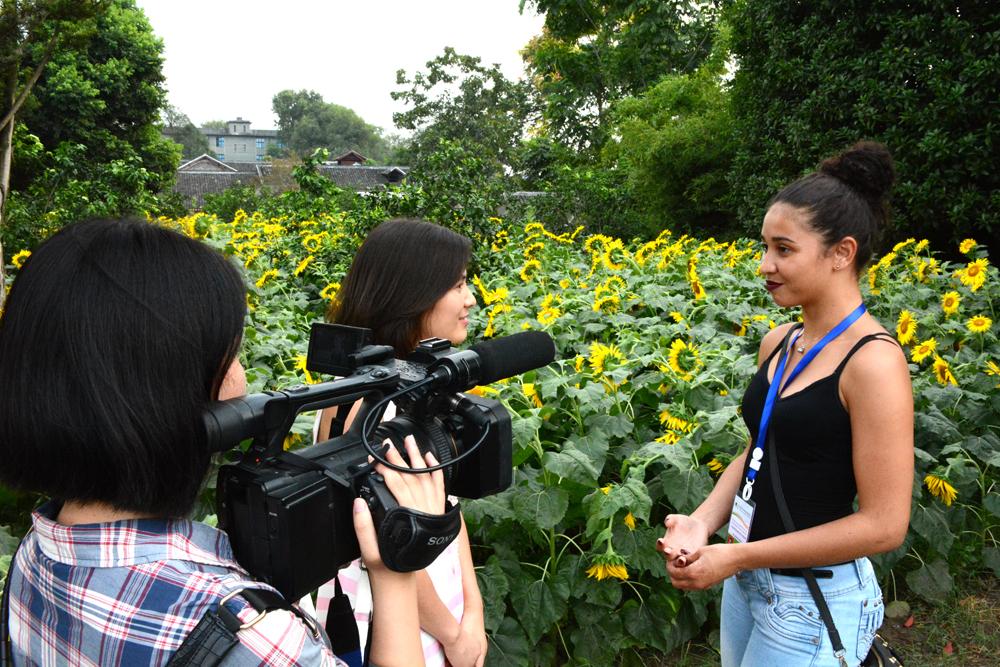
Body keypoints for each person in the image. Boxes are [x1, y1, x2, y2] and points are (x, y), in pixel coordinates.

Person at [0, 218, 443, 666]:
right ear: (163, 392)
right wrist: (397, 570)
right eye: (232, 355)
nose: (243, 380)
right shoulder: (249, 636)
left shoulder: (35, 553)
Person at [656, 142, 914, 666]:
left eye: (784, 249)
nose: (764, 265)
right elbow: (760, 449)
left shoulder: (873, 363)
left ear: (841, 253)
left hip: (813, 600)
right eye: (765, 247)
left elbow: (885, 524)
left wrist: (738, 555)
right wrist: (701, 523)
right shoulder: (779, 341)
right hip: (748, 583)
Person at [313, 218, 487, 667]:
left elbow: (447, 503)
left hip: (443, 609)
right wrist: (455, 635)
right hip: (402, 626)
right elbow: (391, 544)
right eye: (458, 285)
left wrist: (473, 611)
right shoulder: (369, 408)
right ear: (412, 296)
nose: (470, 299)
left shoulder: (417, 390)